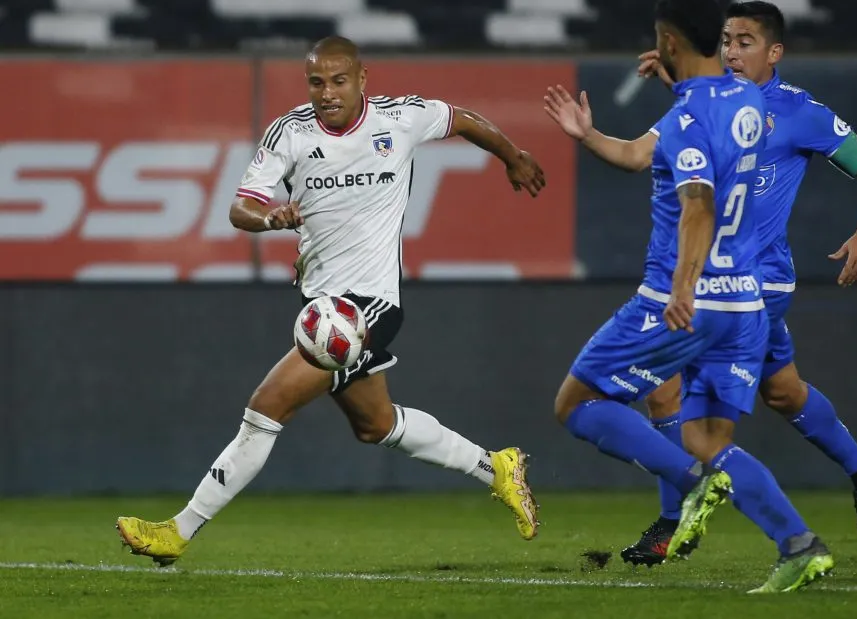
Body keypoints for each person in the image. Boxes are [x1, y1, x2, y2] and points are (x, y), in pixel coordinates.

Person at [116, 36, 546, 566]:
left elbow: (462, 119)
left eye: (339, 81)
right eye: (317, 82)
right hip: (320, 305)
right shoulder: (290, 133)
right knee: (377, 425)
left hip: (368, 306)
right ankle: (497, 467)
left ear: (363, 78)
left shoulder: (400, 119)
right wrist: (270, 217)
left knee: (266, 406)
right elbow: (239, 209)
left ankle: (176, 532)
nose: (327, 92)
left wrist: (513, 156)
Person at [545, 0, 833, 593]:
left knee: (577, 404)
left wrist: (682, 286)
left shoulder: (687, 118)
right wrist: (589, 135)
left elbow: (697, 203)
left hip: (683, 300)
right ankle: (799, 544)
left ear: (669, 42)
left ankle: (691, 483)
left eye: (659, 41)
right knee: (705, 439)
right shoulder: (751, 101)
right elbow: (645, 152)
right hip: (746, 305)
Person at [618, 1, 857, 566]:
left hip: (757, 282)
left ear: (774, 53)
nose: (733, 51)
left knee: (663, 387)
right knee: (782, 391)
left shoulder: (800, 113)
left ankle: (675, 521)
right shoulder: (704, 101)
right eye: (725, 39)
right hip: (715, 277)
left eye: (745, 41)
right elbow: (640, 154)